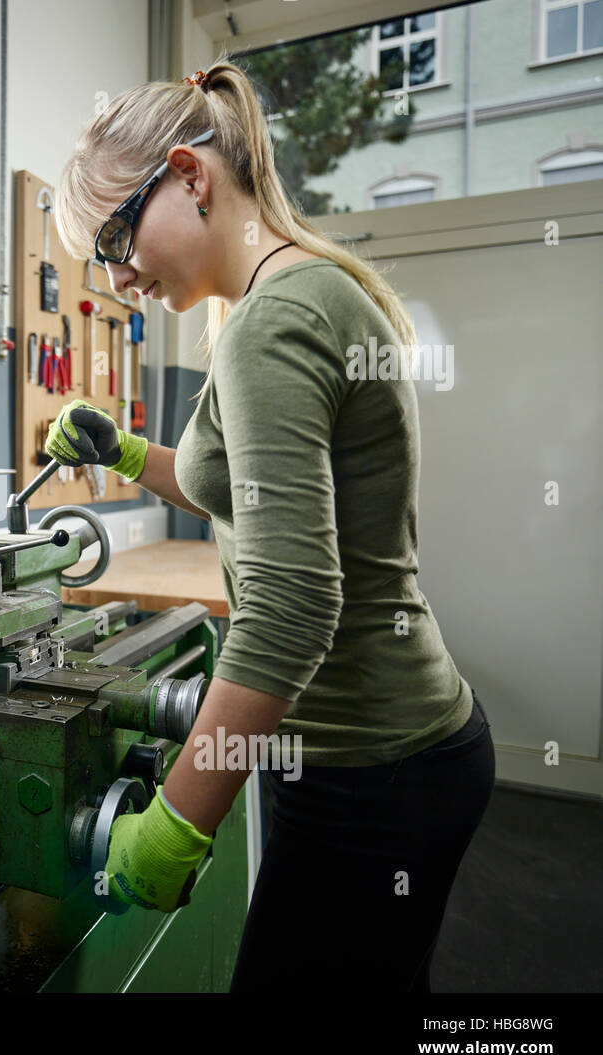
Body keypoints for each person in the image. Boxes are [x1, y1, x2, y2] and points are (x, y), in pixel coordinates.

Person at [48, 58, 495, 992]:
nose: (119, 277)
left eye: (117, 240)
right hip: (391, 751)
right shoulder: (294, 295)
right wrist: (130, 453)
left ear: (191, 176)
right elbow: (236, 491)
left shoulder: (270, 322)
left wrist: (180, 815)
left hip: (370, 766)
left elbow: (292, 606)